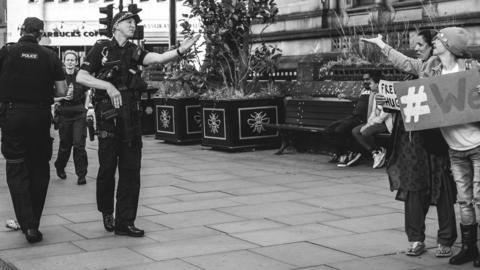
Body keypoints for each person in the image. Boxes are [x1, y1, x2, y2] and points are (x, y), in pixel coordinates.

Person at [76, 11, 199, 237]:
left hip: (131, 116)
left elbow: (158, 58)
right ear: (116, 26)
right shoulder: (101, 49)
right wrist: (108, 86)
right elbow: (81, 77)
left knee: (131, 170)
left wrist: (181, 50)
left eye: (134, 22)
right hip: (108, 117)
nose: (133, 25)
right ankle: (107, 211)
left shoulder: (134, 50)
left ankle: (125, 221)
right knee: (107, 168)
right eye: (128, 22)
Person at [362, 29, 463, 260]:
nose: (416, 48)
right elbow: (407, 79)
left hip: (436, 138)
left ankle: (446, 238)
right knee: (413, 188)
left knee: (443, 187)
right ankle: (416, 238)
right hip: (412, 142)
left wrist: (383, 46)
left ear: (435, 46)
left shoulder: (441, 67)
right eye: (413, 44)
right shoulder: (420, 68)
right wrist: (387, 102)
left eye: (420, 44)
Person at [0, 17, 67, 243]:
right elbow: (62, 89)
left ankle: (27, 224)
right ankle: (33, 224)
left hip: (12, 116)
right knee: (39, 168)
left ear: (21, 30)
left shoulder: (6, 52)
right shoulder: (49, 56)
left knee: (16, 167)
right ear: (40, 34)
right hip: (39, 117)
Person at [325, 71, 379, 167]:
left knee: (339, 130)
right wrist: (346, 96)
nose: (365, 81)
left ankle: (344, 154)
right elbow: (358, 98)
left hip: (361, 119)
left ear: (373, 80)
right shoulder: (364, 90)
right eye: (364, 79)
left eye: (367, 79)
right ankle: (339, 152)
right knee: (329, 129)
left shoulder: (374, 90)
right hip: (353, 116)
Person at [54, 50, 90, 185]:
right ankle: (60, 166)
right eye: (68, 59)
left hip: (79, 113)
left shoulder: (80, 76)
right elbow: (52, 97)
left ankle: (81, 174)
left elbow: (87, 93)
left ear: (76, 62)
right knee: (65, 145)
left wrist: (86, 108)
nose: (70, 62)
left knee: (79, 145)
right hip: (64, 113)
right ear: (64, 61)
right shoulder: (59, 77)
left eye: (72, 60)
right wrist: (62, 97)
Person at [351, 75, 393, 168]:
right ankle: (375, 152)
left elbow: (383, 115)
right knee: (355, 131)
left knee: (365, 132)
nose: (369, 85)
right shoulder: (375, 95)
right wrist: (369, 122)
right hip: (376, 122)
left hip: (385, 123)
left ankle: (380, 150)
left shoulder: (386, 95)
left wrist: (369, 125)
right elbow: (374, 112)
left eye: (371, 83)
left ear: (377, 84)